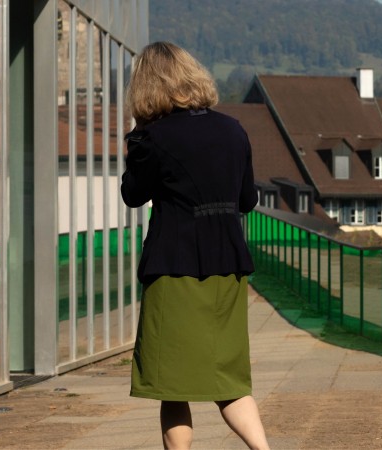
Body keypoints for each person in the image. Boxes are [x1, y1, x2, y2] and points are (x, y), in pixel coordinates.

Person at [120, 41, 269, 450]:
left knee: (172, 384)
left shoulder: (152, 138)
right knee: (229, 378)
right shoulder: (233, 130)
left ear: (147, 86)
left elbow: (133, 194)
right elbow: (247, 200)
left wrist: (135, 147)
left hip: (174, 270)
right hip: (228, 268)